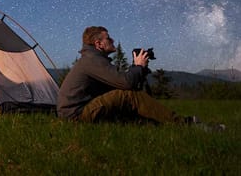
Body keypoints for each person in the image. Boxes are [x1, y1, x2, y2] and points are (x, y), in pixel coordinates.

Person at [57, 26, 218, 128]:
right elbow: (126, 85)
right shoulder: (92, 61)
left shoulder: (93, 60)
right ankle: (185, 125)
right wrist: (138, 67)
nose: (112, 40)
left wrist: (139, 69)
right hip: (76, 116)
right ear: (99, 44)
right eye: (109, 38)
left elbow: (120, 84)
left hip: (78, 111)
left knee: (127, 105)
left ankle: (157, 124)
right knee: (128, 96)